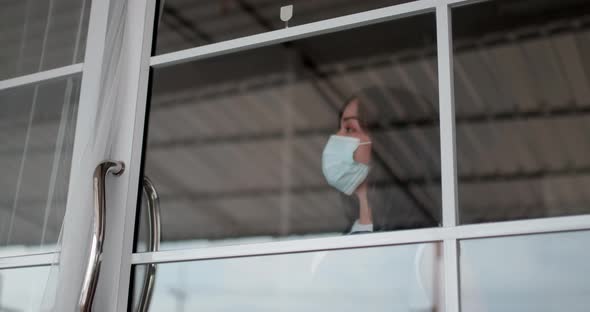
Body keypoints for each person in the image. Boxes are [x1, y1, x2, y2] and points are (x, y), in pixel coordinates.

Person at [321, 87, 439, 234]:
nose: (337, 138)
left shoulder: (426, 240)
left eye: (350, 128)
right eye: (339, 128)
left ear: (388, 142)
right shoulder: (343, 239)